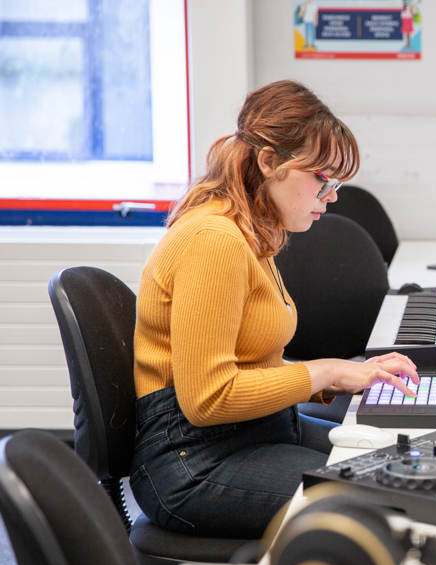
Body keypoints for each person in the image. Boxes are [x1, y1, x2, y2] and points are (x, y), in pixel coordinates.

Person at [129, 80, 419, 539]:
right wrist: (323, 373)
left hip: (251, 432)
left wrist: (343, 371)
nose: (334, 195)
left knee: (407, 464)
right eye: (322, 178)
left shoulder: (249, 233)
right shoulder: (215, 241)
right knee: (381, 500)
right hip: (194, 461)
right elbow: (208, 398)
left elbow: (248, 363)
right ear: (269, 162)